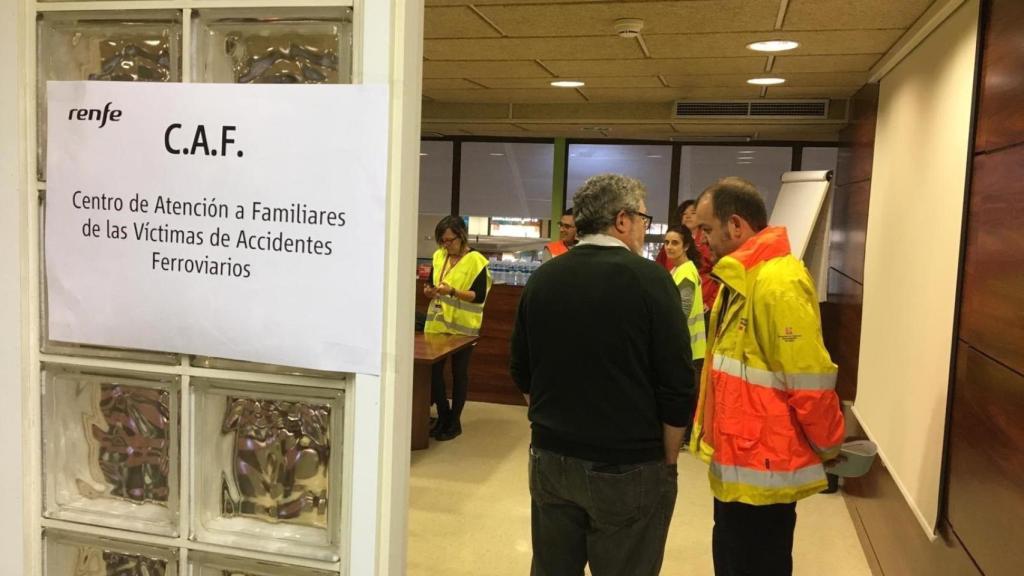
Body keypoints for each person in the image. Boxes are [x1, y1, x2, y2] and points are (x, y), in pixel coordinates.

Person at [510, 173, 695, 576]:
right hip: (628, 463)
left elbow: (521, 370)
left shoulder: (544, 279)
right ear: (623, 219)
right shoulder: (651, 281)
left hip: (550, 459)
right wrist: (667, 459)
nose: (647, 230)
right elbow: (677, 382)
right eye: (645, 219)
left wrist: (553, 423)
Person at [688, 177, 845, 576]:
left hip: (765, 469)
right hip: (740, 463)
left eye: (706, 229)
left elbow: (807, 378)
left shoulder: (778, 282)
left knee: (758, 563)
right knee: (732, 559)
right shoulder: (740, 277)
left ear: (736, 225)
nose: (701, 239)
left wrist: (829, 444)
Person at [423, 215, 492, 441]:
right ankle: (442, 415)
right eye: (442, 241)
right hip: (437, 323)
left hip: (463, 326)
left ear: (461, 237)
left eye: (450, 240)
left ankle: (454, 421)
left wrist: (452, 291)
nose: (446, 245)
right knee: (434, 373)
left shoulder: (477, 261)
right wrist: (429, 290)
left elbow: (478, 295)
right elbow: (432, 282)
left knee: (459, 373)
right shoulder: (438, 256)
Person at [657, 200, 720, 312]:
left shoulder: (709, 244)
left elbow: (721, 276)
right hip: (670, 299)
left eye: (693, 213)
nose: (688, 216)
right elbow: (658, 269)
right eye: (684, 214)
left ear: (686, 246)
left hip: (701, 303)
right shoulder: (668, 245)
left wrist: (711, 302)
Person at [663, 225, 706, 379]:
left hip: (688, 351)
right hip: (686, 349)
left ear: (686, 246)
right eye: (666, 242)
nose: (669, 247)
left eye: (675, 243)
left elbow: (682, 313)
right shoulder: (678, 269)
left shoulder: (686, 272)